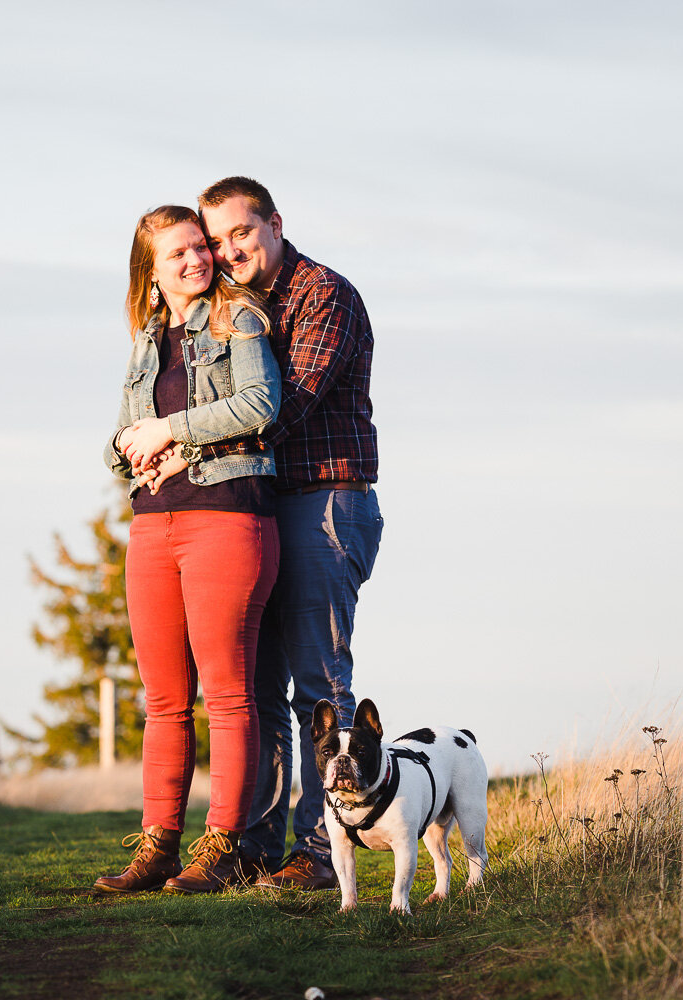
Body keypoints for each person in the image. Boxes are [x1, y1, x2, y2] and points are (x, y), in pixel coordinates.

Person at [195, 176, 384, 891]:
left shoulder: (322, 294)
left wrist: (186, 444)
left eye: (240, 232)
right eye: (216, 241)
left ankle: (321, 847)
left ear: (274, 223)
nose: (228, 249)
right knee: (260, 687)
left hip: (324, 503)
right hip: (262, 508)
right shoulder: (240, 308)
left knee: (319, 684)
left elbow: (287, 404)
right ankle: (257, 845)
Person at [93, 205, 282, 895]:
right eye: (178, 254)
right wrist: (127, 447)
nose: (198, 260)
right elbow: (119, 441)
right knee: (164, 699)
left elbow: (262, 403)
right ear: (152, 271)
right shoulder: (146, 339)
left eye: (200, 248)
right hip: (153, 525)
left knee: (229, 695)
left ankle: (224, 847)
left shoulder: (240, 319)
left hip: (228, 517)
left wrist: (174, 432)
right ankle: (159, 848)